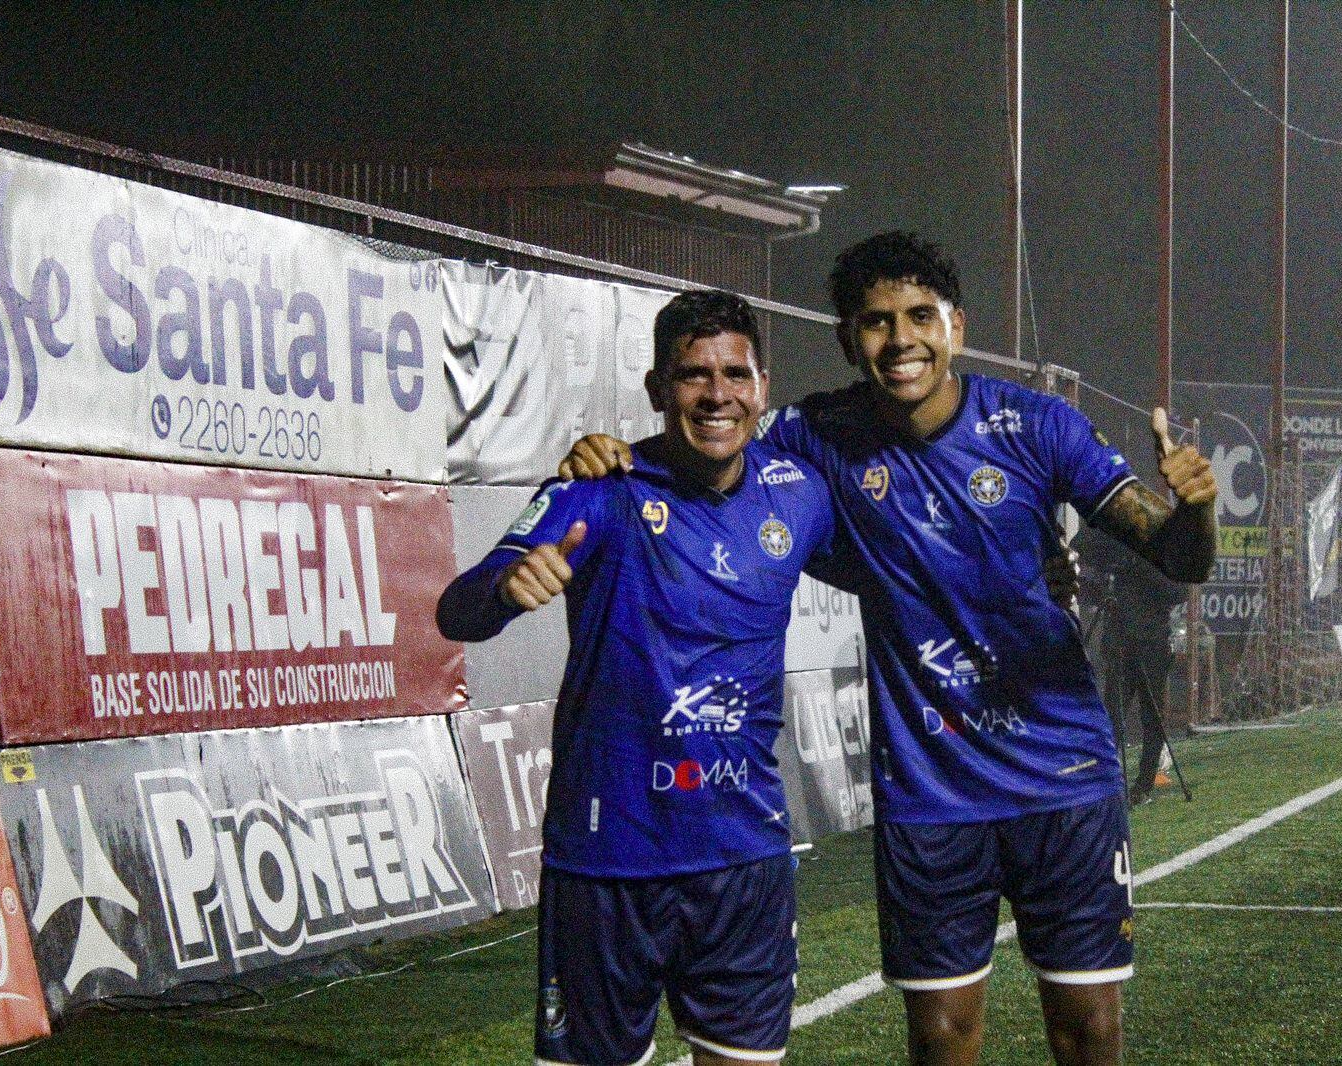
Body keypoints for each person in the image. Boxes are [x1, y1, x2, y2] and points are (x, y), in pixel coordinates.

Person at [561, 232, 1218, 1066]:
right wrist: (613, 458)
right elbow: (713, 457)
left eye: (919, 316)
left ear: (956, 326)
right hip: (930, 794)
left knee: (1086, 1030)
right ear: (848, 340)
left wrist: (1195, 509)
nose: (900, 338)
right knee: (942, 1039)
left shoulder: (1037, 426)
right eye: (876, 322)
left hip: (1062, 777)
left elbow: (1176, 555)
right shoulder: (817, 435)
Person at [438, 290, 838, 1066]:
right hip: (608, 861)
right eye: (693, 376)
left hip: (744, 859)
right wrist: (506, 587)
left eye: (734, 374)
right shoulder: (600, 489)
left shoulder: (802, 494)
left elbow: (894, 575)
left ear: (762, 386)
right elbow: (458, 610)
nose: (716, 394)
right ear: (658, 391)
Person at [1077, 525, 1188, 807]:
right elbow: (1086, 565)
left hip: (1151, 642)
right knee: (1112, 712)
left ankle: (1144, 784)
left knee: (1152, 716)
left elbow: (1179, 590)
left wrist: (1143, 569)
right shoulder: (1116, 545)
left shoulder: (1161, 550)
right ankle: (1107, 781)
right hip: (1119, 640)